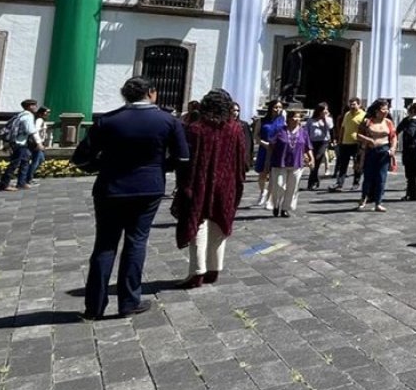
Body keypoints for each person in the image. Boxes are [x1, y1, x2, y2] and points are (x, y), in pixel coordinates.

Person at [73, 76, 189, 319]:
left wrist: (103, 165)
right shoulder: (168, 121)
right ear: (152, 93)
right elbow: (183, 158)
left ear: (124, 94)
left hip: (111, 187)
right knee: (136, 242)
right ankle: (128, 302)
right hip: (149, 188)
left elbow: (81, 159)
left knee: (104, 245)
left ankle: (94, 306)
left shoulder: (108, 120)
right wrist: (159, 167)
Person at [174, 89, 249, 288]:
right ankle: (214, 268)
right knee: (219, 224)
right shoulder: (235, 129)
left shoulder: (195, 129)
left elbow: (185, 161)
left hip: (199, 182)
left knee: (199, 224)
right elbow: (242, 159)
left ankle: (197, 271)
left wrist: (182, 184)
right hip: (227, 183)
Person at [266, 109, 313, 217]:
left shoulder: (303, 132)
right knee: (279, 186)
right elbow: (271, 146)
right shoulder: (280, 131)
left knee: (293, 187)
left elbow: (307, 147)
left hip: (296, 163)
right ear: (288, 119)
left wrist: (311, 158)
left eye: (298, 117)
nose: (295, 119)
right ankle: (276, 205)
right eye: (293, 117)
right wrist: (268, 161)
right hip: (280, 163)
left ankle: (285, 208)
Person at [357, 99, 397, 211]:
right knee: (368, 177)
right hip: (370, 151)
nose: (386, 111)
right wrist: (368, 139)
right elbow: (358, 135)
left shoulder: (388, 122)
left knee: (381, 178)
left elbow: (393, 137)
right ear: (376, 110)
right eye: (383, 109)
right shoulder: (367, 121)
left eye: (387, 109)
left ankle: (378, 202)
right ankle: (364, 198)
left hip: (384, 151)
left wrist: (393, 148)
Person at [0, 98, 39, 192]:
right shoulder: (28, 116)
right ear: (29, 107)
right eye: (34, 105)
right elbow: (30, 130)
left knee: (25, 161)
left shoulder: (20, 115)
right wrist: (38, 142)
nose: (36, 107)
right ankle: (3, 185)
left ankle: (21, 183)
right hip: (19, 143)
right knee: (14, 164)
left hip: (19, 142)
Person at [253, 99, 285, 208]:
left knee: (273, 175)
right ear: (271, 108)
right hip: (264, 149)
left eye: (280, 107)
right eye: (276, 107)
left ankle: (269, 199)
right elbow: (256, 136)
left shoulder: (282, 122)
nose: (278, 109)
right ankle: (263, 191)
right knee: (262, 174)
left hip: (276, 150)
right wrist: (263, 143)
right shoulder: (262, 121)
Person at [329, 97, 366, 192]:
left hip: (357, 143)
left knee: (357, 164)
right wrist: (340, 139)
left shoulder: (363, 115)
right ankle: (339, 184)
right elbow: (343, 128)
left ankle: (356, 183)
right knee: (343, 165)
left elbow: (366, 130)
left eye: (354, 104)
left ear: (359, 104)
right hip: (345, 143)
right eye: (350, 104)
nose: (352, 106)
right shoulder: (347, 114)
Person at [396, 103, 416, 201]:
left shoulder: (411, 122)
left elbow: (408, 132)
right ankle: (412, 194)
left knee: (410, 174)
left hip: (412, 150)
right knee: (415, 173)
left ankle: (410, 195)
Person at [305, 102, 334, 191]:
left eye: (326, 109)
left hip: (323, 142)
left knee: (317, 159)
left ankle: (311, 182)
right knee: (313, 161)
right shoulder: (311, 120)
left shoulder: (328, 119)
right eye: (323, 110)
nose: (325, 111)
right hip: (312, 142)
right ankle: (315, 180)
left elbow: (330, 127)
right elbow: (306, 131)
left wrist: (325, 118)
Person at [22, 106, 51, 188]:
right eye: (47, 112)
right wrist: (39, 143)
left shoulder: (41, 120)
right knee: (36, 160)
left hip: (38, 143)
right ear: (42, 112)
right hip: (36, 143)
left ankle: (28, 177)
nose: (48, 114)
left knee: (40, 159)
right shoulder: (39, 120)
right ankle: (28, 179)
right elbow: (36, 131)